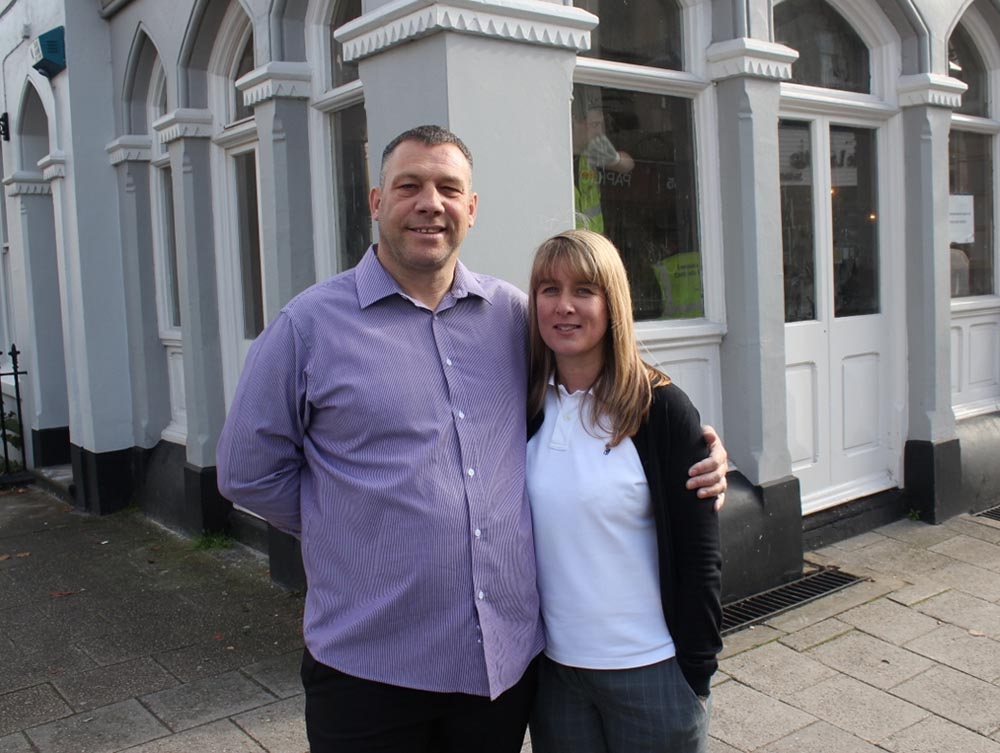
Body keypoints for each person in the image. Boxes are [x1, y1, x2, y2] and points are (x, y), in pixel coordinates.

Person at [216, 125, 727, 753]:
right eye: (410, 186)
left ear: (471, 208)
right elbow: (247, 471)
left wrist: (695, 443)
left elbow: (599, 376)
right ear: (377, 202)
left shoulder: (515, 317)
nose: (430, 202)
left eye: (448, 188)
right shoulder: (309, 327)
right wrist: (349, 523)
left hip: (498, 668)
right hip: (371, 668)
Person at [526, 229, 722, 753]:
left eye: (584, 290)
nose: (564, 306)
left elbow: (701, 556)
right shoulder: (523, 405)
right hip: (556, 676)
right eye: (549, 289)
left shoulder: (661, 410)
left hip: (651, 670)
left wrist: (697, 673)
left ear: (613, 303)